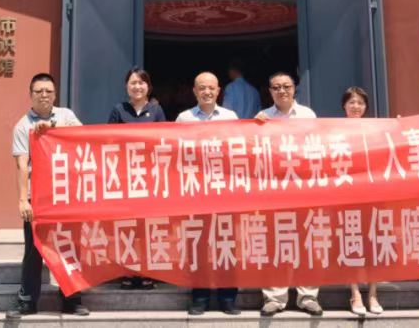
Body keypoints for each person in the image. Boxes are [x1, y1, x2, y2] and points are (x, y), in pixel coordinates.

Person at [7, 73, 89, 318]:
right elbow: (22, 165)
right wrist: (23, 200)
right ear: (30, 95)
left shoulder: (66, 115)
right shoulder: (22, 126)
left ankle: (72, 299)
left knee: (69, 246)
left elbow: (83, 136)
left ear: (55, 94)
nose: (44, 95)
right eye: (39, 91)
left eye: (48, 91)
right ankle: (27, 300)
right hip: (39, 198)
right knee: (34, 250)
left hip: (66, 194)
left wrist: (52, 128)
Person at [253, 71, 323, 317]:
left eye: (286, 86)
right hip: (274, 189)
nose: (282, 91)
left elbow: (316, 146)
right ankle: (275, 298)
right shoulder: (263, 118)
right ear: (270, 91)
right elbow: (254, 152)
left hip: (303, 186)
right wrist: (255, 128)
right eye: (276, 87)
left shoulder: (308, 115)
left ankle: (308, 296)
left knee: (307, 240)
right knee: (275, 241)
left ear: (294, 89)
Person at [175, 72, 241, 316]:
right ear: (194, 91)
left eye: (211, 88)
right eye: (202, 88)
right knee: (198, 245)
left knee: (227, 242)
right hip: (195, 190)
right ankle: (200, 297)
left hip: (225, 190)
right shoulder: (184, 118)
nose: (207, 92)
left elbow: (239, 149)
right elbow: (174, 151)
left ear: (219, 90)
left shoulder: (230, 117)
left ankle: (227, 297)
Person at [107, 67, 166, 290]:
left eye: (141, 82)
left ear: (148, 86)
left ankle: (147, 271)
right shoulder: (118, 110)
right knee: (127, 227)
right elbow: (108, 141)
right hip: (126, 178)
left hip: (150, 178)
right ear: (126, 87)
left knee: (148, 226)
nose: (137, 87)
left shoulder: (156, 110)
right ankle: (128, 271)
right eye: (133, 83)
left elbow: (165, 141)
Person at [341, 87, 383, 317]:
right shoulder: (334, 130)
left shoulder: (375, 130)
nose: (356, 106)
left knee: (373, 243)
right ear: (344, 106)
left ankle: (373, 294)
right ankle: (355, 293)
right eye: (351, 102)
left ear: (366, 106)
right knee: (351, 242)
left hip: (372, 194)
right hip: (347, 195)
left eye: (360, 102)